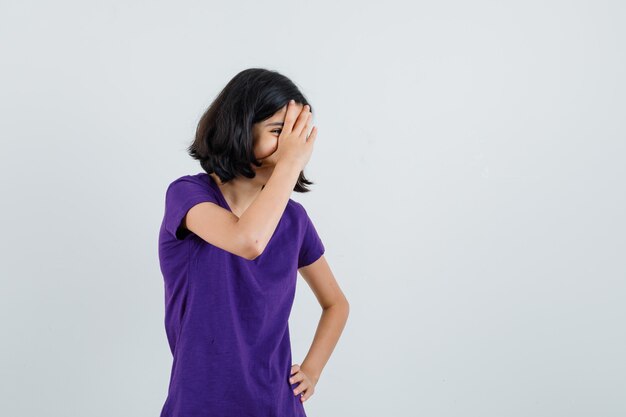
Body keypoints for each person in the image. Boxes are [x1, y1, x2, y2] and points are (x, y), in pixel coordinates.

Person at [157, 68, 350, 417]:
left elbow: (336, 304)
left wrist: (312, 371)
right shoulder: (188, 196)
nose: (291, 146)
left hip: (276, 405)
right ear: (240, 127)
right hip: (201, 405)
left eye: (298, 135)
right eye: (278, 131)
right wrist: (290, 162)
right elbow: (247, 240)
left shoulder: (294, 220)